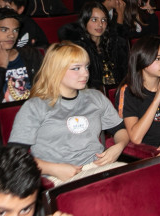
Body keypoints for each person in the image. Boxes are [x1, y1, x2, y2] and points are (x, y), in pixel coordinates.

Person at [8, 42, 129, 185]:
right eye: (76, 68)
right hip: (58, 176)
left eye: (86, 67)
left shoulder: (95, 97)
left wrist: (118, 146)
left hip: (97, 167)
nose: (85, 73)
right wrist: (53, 169)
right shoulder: (34, 107)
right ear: (56, 71)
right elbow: (15, 156)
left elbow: (120, 130)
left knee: (137, 177)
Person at [58, 2, 129, 89]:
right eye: (94, 20)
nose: (100, 24)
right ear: (85, 22)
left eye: (103, 20)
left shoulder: (113, 43)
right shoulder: (79, 48)